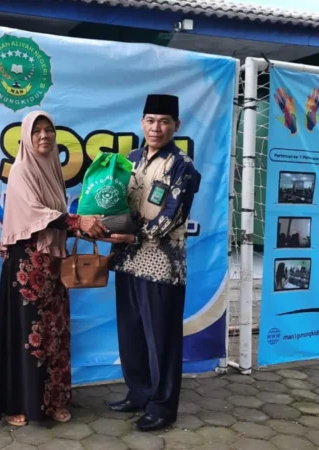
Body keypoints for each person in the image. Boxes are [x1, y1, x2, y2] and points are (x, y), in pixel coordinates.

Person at [0, 111, 107, 427]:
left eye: (49, 130)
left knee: (54, 333)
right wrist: (76, 222)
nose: (44, 136)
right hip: (27, 266)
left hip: (53, 265)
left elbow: (56, 220)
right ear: (26, 138)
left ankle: (53, 400)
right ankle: (20, 403)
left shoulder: (53, 170)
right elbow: (36, 214)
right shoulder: (21, 170)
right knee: (28, 336)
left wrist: (84, 227)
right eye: (37, 131)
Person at [101, 94, 200, 432]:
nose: (156, 128)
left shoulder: (182, 165)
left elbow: (172, 216)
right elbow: (119, 204)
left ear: (176, 125)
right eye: (150, 120)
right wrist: (104, 224)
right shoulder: (131, 159)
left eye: (164, 121)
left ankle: (162, 406)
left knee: (161, 339)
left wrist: (132, 235)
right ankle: (139, 393)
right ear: (142, 123)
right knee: (131, 333)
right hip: (128, 262)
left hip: (162, 266)